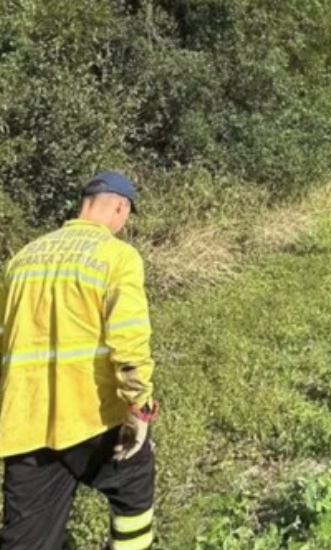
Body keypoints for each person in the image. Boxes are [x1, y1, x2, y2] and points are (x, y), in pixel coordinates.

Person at [0, 171, 159, 548]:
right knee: (133, 487)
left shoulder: (22, 259)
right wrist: (139, 407)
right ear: (120, 208)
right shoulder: (117, 256)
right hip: (91, 415)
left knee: (27, 538)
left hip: (25, 419)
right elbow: (128, 340)